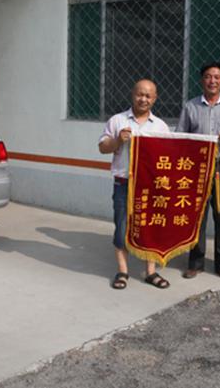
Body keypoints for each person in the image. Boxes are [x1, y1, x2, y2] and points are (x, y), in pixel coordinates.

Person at [98, 79, 171, 290]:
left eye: (148, 96)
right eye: (140, 94)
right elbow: (102, 147)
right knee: (122, 228)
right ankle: (123, 271)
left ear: (154, 99)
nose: (143, 99)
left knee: (150, 228)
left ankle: (150, 271)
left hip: (151, 186)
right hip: (124, 184)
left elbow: (168, 156)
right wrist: (118, 140)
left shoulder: (160, 126)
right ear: (133, 95)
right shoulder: (117, 120)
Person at [176, 62, 220, 280]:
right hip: (197, 167)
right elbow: (180, 138)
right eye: (208, 76)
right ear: (201, 80)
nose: (212, 81)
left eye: (216, 77)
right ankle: (195, 262)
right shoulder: (190, 106)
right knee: (196, 216)